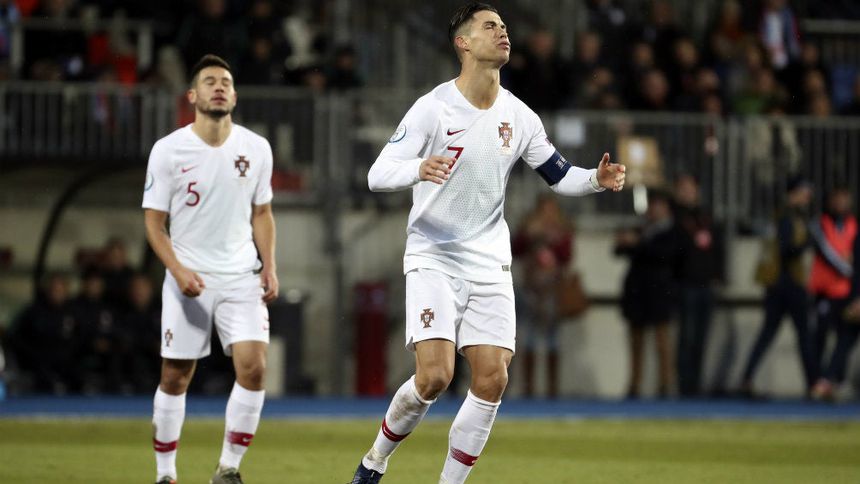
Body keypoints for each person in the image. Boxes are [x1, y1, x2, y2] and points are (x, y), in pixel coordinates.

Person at [350, 4, 626, 483]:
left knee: (493, 378)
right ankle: (375, 460)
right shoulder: (433, 107)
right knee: (434, 377)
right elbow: (378, 174)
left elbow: (559, 175)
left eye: (504, 25)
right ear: (463, 43)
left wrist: (595, 180)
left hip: (490, 262)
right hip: (434, 256)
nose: (502, 32)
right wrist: (418, 168)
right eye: (490, 26)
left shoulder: (519, 116)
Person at [142, 54, 278, 484]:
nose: (218, 87)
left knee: (255, 368)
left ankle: (228, 468)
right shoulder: (168, 150)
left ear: (234, 96)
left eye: (225, 82)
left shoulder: (256, 148)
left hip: (242, 277)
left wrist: (269, 266)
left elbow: (262, 212)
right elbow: (154, 223)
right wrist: (178, 270)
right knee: (175, 376)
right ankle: (166, 474)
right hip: (189, 279)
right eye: (209, 81)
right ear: (192, 95)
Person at [741, 176, 816, 398]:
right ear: (793, 193)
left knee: (769, 333)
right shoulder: (787, 216)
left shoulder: (783, 215)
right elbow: (786, 250)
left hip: (777, 285)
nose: (807, 197)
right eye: (803, 192)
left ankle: (747, 378)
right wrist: (807, 242)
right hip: (788, 284)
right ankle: (813, 383)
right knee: (803, 335)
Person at [615, 190, 678, 399]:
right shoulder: (642, 228)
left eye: (659, 205)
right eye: (653, 205)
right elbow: (619, 250)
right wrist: (626, 241)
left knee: (662, 341)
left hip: (660, 291)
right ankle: (634, 383)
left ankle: (665, 384)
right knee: (636, 341)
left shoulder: (671, 231)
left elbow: (664, 254)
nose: (654, 210)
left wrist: (637, 243)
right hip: (637, 291)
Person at [512, 195, 575, 398]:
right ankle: (529, 387)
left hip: (552, 289)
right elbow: (515, 249)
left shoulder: (562, 231)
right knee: (529, 336)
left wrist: (553, 240)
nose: (548, 215)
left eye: (551, 210)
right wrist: (530, 234)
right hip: (530, 288)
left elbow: (567, 256)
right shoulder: (530, 228)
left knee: (552, 337)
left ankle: (552, 388)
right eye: (544, 210)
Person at [672, 175, 725, 397]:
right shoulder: (674, 217)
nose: (687, 192)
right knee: (686, 338)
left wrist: (719, 275)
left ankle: (695, 385)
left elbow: (717, 247)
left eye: (690, 188)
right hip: (686, 284)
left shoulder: (706, 216)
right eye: (682, 188)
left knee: (701, 339)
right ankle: (684, 387)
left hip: (706, 285)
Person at [808, 187, 857, 401]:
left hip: (847, 291)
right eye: (838, 199)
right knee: (822, 336)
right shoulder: (821, 223)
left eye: (845, 200)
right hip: (826, 292)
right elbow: (828, 253)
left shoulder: (853, 225)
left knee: (845, 337)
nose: (841, 204)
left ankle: (832, 381)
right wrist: (849, 269)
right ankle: (821, 380)